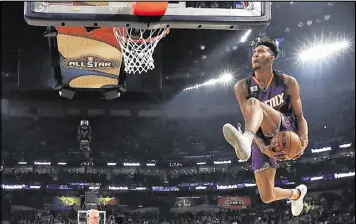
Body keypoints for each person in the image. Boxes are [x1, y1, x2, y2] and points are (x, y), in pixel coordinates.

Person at [222, 38, 309, 216]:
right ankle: (297, 194)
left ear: (272, 57)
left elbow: (300, 117)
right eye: (254, 52)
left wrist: (304, 140)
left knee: (254, 102)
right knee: (267, 196)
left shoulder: (287, 82)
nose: (256, 54)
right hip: (257, 136)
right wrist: (262, 147)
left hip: (283, 127)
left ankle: (244, 139)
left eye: (261, 51)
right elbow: (248, 119)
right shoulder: (242, 87)